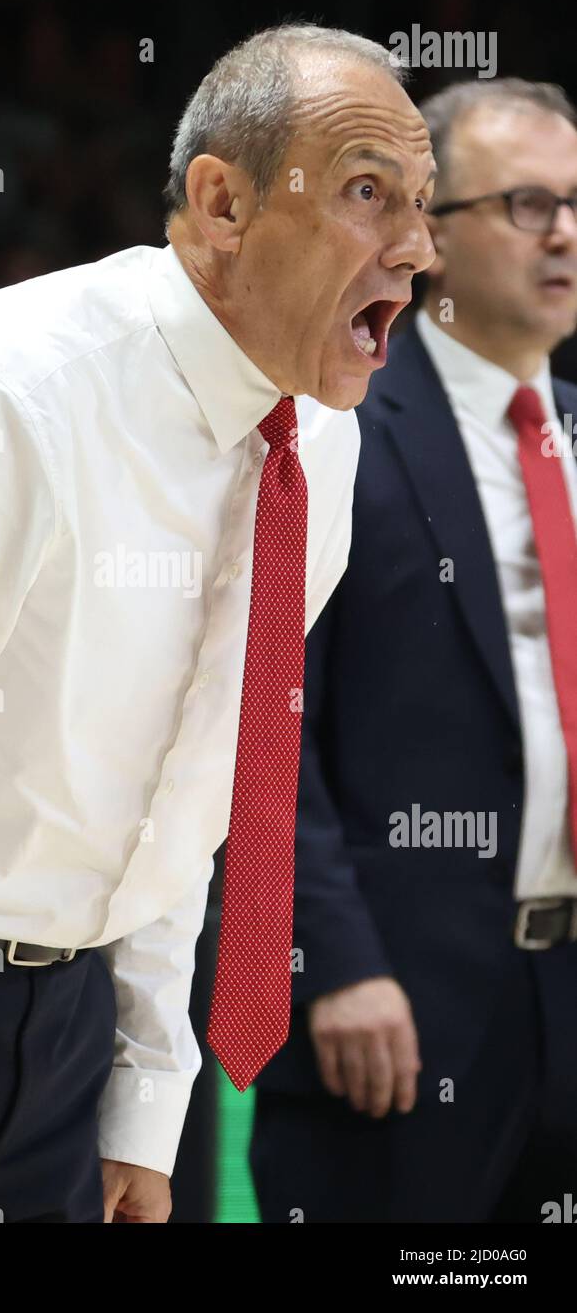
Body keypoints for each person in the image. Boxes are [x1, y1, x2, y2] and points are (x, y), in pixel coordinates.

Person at [0, 22, 434, 1224]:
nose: (414, 247)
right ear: (221, 205)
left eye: (421, 205)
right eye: (369, 193)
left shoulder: (322, 441)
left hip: (70, 1037)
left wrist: (142, 1104)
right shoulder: (3, 393)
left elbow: (195, 790)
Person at [250, 78, 577, 1223]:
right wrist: (330, 958)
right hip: (395, 1005)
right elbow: (262, 727)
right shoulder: (334, 431)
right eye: (530, 203)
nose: (567, 234)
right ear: (430, 231)